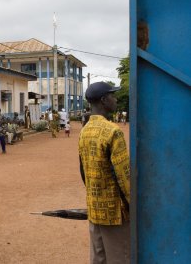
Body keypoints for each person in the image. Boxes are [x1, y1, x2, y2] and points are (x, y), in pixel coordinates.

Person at [78, 82, 130, 264]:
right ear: (103, 100)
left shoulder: (84, 131)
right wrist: (133, 205)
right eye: (112, 95)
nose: (115, 99)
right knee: (119, 258)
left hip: (94, 208)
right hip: (115, 213)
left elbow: (83, 171)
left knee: (98, 259)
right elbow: (125, 177)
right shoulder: (113, 132)